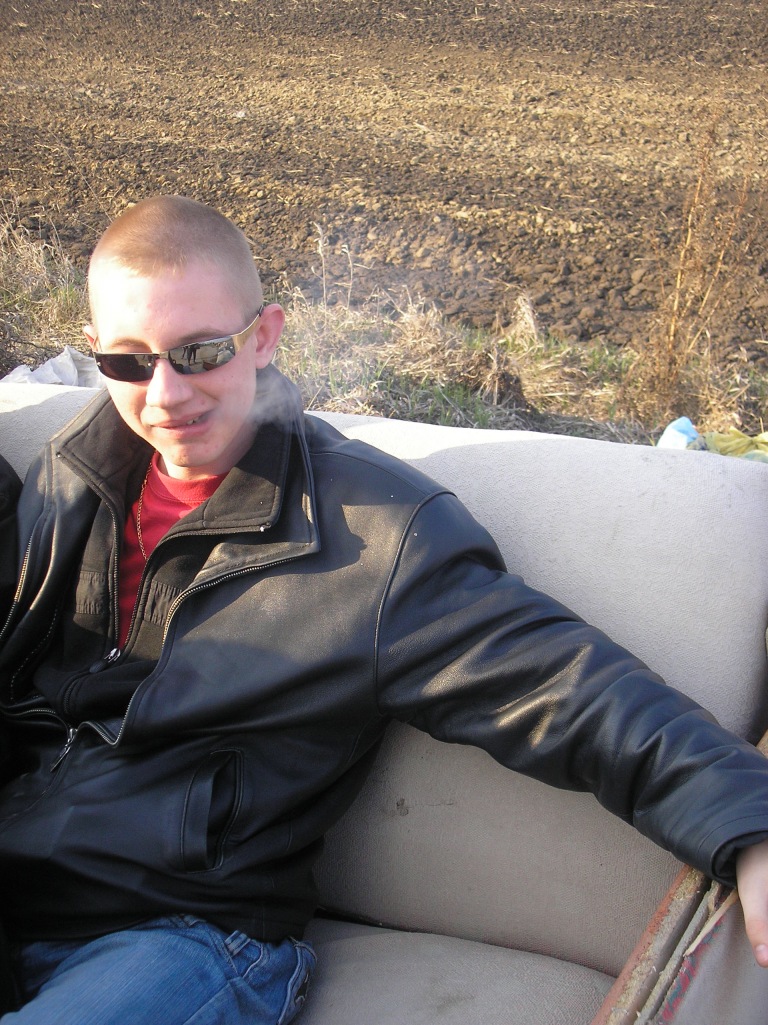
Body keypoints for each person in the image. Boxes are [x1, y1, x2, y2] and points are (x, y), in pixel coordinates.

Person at [0, 194, 768, 1023]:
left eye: (201, 352)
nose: (164, 394)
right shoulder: (71, 476)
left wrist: (749, 821)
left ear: (264, 336)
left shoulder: (372, 536)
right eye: (129, 362)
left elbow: (569, 692)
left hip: (184, 934)